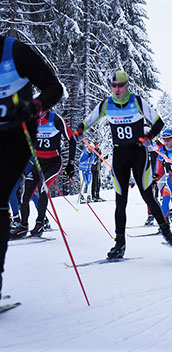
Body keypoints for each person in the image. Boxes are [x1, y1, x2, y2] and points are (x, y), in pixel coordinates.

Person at [76, 70, 172, 259]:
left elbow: (158, 123)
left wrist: (147, 137)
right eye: (114, 85)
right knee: (120, 200)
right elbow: (87, 121)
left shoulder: (137, 102)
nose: (116, 89)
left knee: (148, 195)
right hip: (120, 156)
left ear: (127, 85)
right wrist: (80, 129)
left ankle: (166, 231)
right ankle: (119, 244)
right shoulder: (107, 104)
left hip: (139, 154)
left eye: (120, 85)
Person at [0, 35, 63, 298]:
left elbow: (54, 88)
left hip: (16, 137)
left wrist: (34, 106)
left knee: (5, 197)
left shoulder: (14, 51)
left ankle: (36, 221)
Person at [11, 110, 76, 238]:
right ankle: (23, 225)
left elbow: (72, 139)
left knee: (43, 187)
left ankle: (40, 223)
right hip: (37, 163)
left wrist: (70, 164)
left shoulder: (55, 119)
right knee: (25, 192)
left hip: (53, 164)